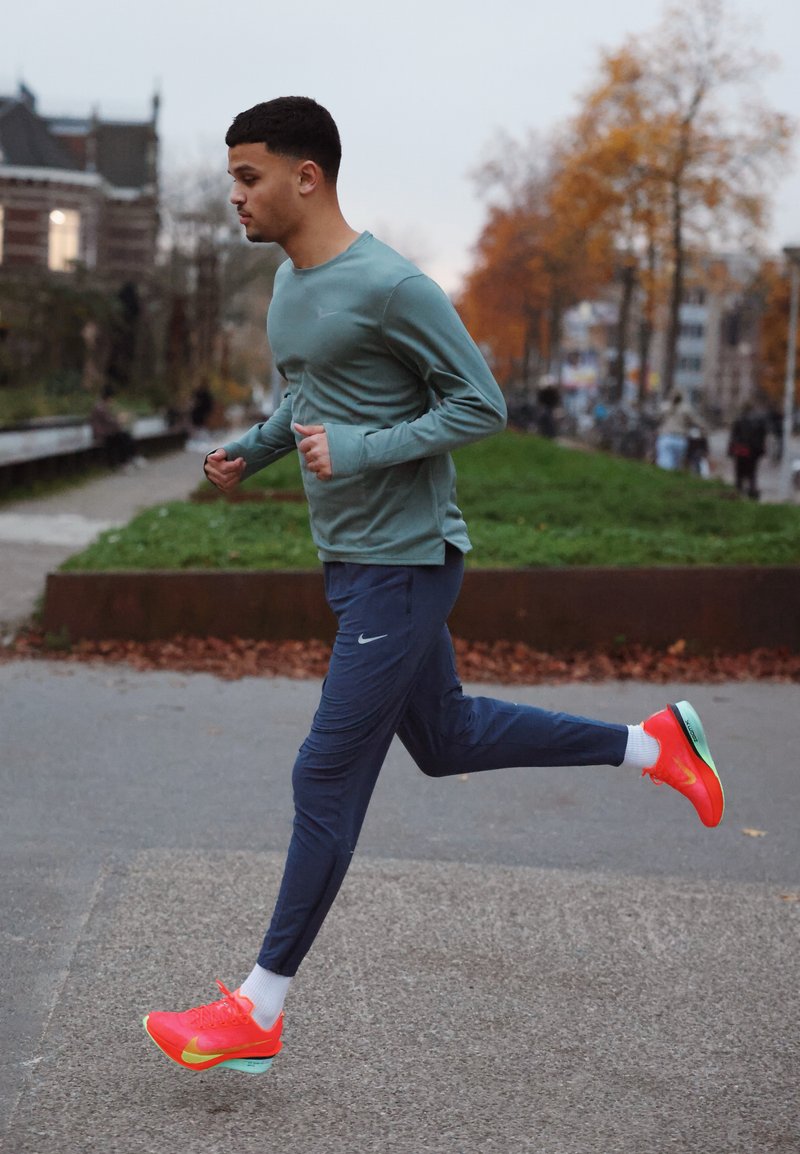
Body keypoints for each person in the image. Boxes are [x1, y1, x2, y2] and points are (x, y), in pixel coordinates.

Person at [142, 97, 725, 1076]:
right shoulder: (288, 284)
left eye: (247, 177)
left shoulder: (392, 287)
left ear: (305, 177)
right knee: (444, 738)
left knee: (323, 773)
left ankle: (258, 1007)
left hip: (406, 563)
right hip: (352, 559)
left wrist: (362, 448)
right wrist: (253, 450)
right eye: (230, 178)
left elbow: (480, 405)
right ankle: (652, 743)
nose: (233, 196)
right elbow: (308, 395)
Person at [89, 384, 137, 469]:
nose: (113, 400)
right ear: (108, 397)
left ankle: (131, 458)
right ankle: (124, 462)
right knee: (122, 438)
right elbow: (110, 421)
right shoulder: (100, 407)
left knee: (126, 436)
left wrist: (120, 419)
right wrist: (121, 419)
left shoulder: (105, 406)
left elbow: (112, 422)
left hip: (108, 432)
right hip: (102, 435)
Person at [655, 391, 703, 471]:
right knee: (676, 466)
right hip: (680, 439)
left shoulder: (664, 407)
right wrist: (705, 429)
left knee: (664, 465)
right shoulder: (686, 409)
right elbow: (697, 421)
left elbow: (656, 419)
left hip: (666, 437)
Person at [728, 401, 767, 500]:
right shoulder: (759, 421)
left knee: (739, 473)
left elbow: (734, 436)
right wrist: (761, 450)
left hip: (741, 449)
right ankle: (752, 492)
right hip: (754, 451)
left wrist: (730, 450)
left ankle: (738, 492)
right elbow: (762, 437)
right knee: (752, 473)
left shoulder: (739, 419)